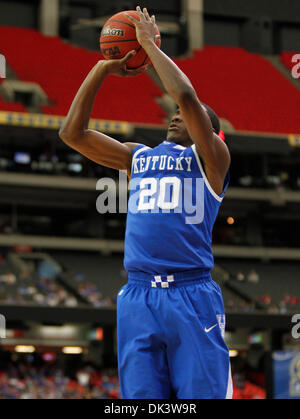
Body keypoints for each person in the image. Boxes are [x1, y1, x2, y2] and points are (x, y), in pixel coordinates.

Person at [59, 6, 232, 399]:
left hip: (192, 294)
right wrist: (102, 69)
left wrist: (149, 46)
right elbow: (73, 133)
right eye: (173, 114)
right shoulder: (138, 157)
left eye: (188, 118)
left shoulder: (211, 162)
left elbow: (186, 95)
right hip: (138, 295)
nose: (176, 116)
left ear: (211, 134)